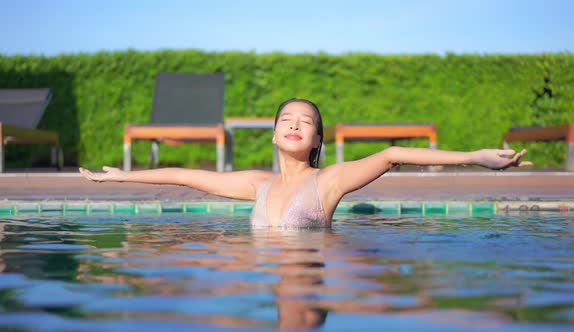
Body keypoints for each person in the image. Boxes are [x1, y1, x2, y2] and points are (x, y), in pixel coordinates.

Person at [79, 98, 532, 228]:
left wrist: (475, 157)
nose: (295, 125)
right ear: (275, 132)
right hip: (267, 277)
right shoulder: (256, 183)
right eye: (287, 120)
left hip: (321, 275)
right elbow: (184, 176)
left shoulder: (329, 181)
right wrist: (122, 175)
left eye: (306, 122)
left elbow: (392, 154)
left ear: (317, 139)